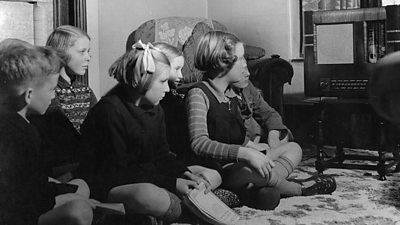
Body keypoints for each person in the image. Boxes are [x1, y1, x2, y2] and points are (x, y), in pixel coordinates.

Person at [185, 31, 336, 209]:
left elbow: (235, 135)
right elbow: (199, 143)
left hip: (239, 164)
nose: (245, 65)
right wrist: (246, 154)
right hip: (218, 169)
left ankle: (253, 190)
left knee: (293, 149)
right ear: (221, 61)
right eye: (240, 59)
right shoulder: (198, 94)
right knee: (257, 172)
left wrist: (254, 149)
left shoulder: (230, 96)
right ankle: (297, 188)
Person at [80, 41, 221, 224]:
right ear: (142, 80)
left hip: (148, 174)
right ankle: (183, 209)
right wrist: (171, 182)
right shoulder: (109, 111)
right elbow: (119, 171)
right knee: (147, 195)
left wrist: (184, 174)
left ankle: (173, 207)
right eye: (162, 82)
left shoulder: (155, 108)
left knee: (207, 175)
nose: (167, 88)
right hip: (112, 183)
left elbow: (162, 155)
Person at [0, 39, 95, 225]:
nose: (54, 96)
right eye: (52, 89)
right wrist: (66, 198)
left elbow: (31, 181)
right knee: (80, 208)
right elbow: (29, 197)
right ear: (28, 95)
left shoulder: (18, 123)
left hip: (25, 201)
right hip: (18, 214)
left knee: (80, 187)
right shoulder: (21, 134)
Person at [29, 25, 97, 182]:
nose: (88, 57)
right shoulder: (47, 92)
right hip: (59, 170)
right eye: (82, 52)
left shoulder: (85, 91)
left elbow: (100, 130)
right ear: (62, 53)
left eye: (89, 51)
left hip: (85, 165)